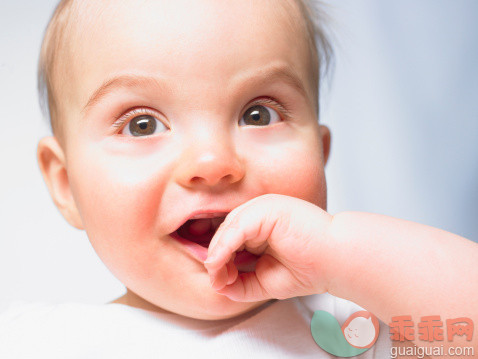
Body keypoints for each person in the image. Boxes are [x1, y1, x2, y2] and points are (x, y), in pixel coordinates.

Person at [0, 0, 476, 358]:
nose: (212, 161)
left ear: (321, 155)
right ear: (66, 184)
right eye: (142, 124)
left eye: (258, 114)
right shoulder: (37, 340)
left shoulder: (353, 328)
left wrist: (340, 250)